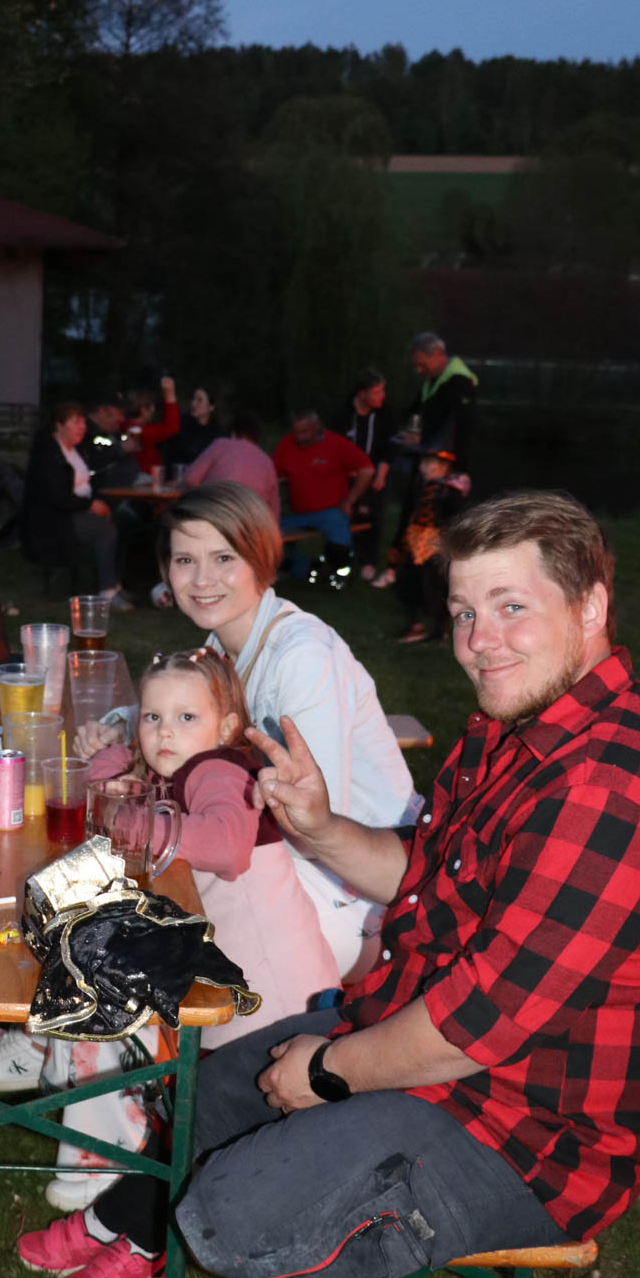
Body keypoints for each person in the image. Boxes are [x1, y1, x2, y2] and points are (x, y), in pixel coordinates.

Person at [170, 489, 640, 1278]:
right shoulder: (514, 735)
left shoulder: (609, 783)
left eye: (510, 607)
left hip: (533, 1133)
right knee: (208, 1095)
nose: (478, 640)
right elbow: (424, 876)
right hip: (440, 1050)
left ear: (591, 607)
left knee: (233, 1203)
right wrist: (316, 826)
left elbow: (479, 1024)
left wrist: (328, 1073)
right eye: (465, 611)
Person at [14, 646, 340, 1278]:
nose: (165, 732)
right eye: (152, 717)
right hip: (234, 988)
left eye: (186, 717)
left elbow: (224, 843)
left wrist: (122, 813)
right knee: (190, 1119)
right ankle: (120, 1222)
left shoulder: (221, 769)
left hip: (278, 1001)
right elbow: (124, 800)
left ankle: (142, 1240)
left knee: (202, 1125)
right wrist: (111, 764)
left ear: (227, 727)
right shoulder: (180, 770)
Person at [159, 483, 418, 980]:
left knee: (174, 926)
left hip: (368, 891)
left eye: (223, 558)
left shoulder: (301, 657)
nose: (202, 579)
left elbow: (321, 823)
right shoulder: (219, 647)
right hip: (296, 860)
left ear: (260, 560)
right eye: (185, 560)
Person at [373, 333, 477, 590]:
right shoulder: (433, 381)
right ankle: (401, 569)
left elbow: (458, 429)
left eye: (422, 364)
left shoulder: (460, 383)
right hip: (426, 461)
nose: (419, 370)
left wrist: (428, 442)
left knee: (439, 522)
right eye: (416, 365)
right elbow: (417, 413)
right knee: (411, 514)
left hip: (444, 468)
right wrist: (411, 433)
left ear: (438, 355)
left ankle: (437, 578)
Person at [19, 401, 130, 608]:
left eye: (83, 422)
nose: (82, 427)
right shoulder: (48, 455)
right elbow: (57, 497)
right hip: (54, 519)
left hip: (74, 510)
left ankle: (114, 584)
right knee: (105, 530)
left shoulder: (75, 450)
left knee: (120, 522)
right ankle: (107, 591)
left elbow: (89, 474)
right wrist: (90, 505)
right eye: (75, 422)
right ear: (59, 425)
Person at [271, 410, 374, 582]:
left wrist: (349, 500)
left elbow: (367, 469)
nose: (300, 437)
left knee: (339, 545)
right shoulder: (286, 445)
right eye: (297, 432)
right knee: (268, 540)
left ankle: (340, 575)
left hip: (331, 511)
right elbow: (272, 474)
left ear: (317, 427)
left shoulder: (336, 444)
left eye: (305, 432)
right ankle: (309, 568)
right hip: (297, 513)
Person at [394, 449, 463, 644]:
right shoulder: (418, 487)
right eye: (422, 463)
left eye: (428, 464)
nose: (422, 467)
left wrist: (446, 544)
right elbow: (408, 514)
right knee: (407, 581)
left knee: (432, 585)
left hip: (434, 543)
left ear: (443, 468)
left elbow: (455, 520)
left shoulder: (450, 492)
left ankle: (439, 629)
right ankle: (415, 625)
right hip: (414, 539)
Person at [331, 369, 390, 579]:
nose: (381, 396)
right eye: (376, 392)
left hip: (373, 474)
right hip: (348, 476)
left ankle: (368, 561)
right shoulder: (343, 415)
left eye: (382, 391)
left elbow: (387, 448)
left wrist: (381, 473)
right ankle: (341, 558)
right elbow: (335, 445)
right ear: (362, 393)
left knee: (372, 517)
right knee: (345, 515)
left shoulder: (383, 414)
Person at [181, 416, 280, 521]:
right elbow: (274, 508)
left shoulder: (221, 444)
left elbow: (190, 478)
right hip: (251, 523)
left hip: (217, 516)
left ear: (233, 433)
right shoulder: (266, 460)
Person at [161, 385, 225, 478]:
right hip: (178, 480)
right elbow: (169, 456)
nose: (193, 403)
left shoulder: (218, 434)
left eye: (199, 400)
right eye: (193, 399)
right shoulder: (181, 426)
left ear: (211, 407)